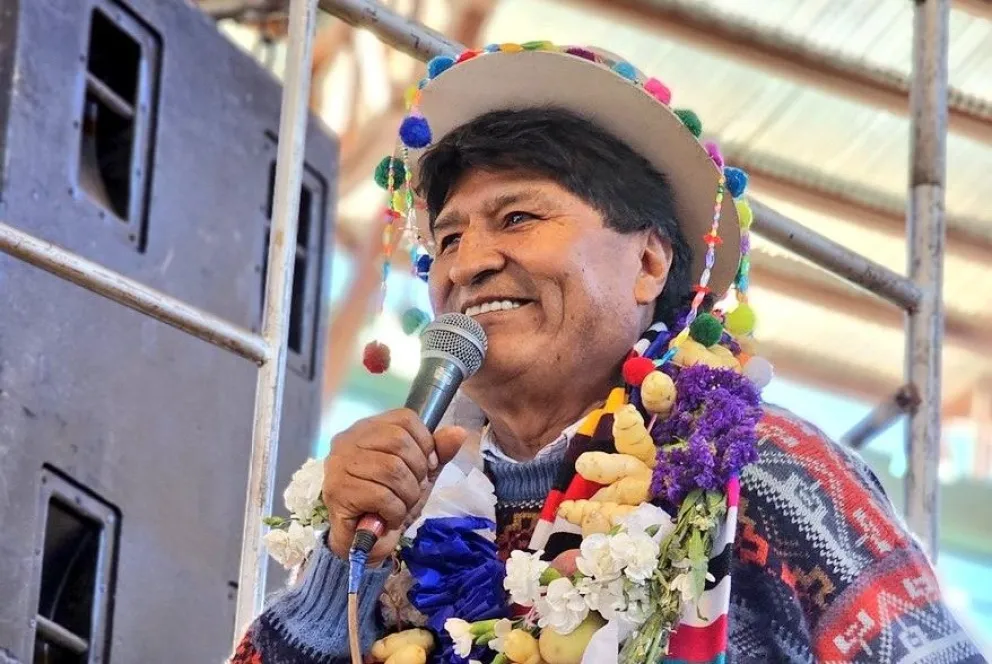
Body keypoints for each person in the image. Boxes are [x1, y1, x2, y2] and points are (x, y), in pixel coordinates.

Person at [231, 43, 985, 664]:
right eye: (448, 239)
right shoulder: (401, 523)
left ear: (650, 265)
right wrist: (338, 565)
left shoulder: (763, 468)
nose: (465, 265)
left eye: (518, 217)